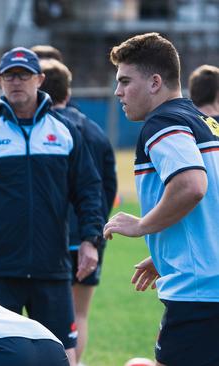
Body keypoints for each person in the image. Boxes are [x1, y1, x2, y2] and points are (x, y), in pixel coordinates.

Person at [0, 47, 104, 366]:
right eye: (9, 76)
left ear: (39, 79)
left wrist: (90, 240)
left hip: (52, 269)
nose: (17, 82)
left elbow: (89, 190)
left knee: (63, 357)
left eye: (24, 75)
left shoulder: (65, 133)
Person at [105, 32, 219, 366]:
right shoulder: (206, 123)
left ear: (155, 82)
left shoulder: (163, 122)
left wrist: (143, 225)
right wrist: (165, 249)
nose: (118, 92)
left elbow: (191, 186)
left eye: (126, 81)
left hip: (200, 297)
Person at [39, 58, 117, 365]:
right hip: (88, 234)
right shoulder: (95, 131)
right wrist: (95, 228)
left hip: (49, 237)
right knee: (78, 313)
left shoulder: (41, 129)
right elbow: (108, 187)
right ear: (68, 94)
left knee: (44, 315)